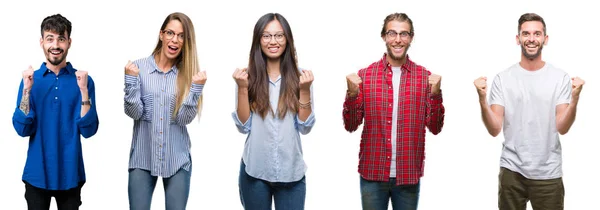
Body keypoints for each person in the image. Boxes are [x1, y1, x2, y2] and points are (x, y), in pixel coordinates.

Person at [473, 13, 584, 210]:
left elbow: (562, 127)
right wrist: (482, 99)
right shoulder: (503, 78)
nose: (531, 39)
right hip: (512, 170)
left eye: (537, 34)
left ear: (545, 39)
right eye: (526, 33)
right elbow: (494, 128)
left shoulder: (559, 78)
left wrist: (575, 99)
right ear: (518, 39)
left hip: (548, 173)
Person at [342, 12, 445, 210]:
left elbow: (435, 127)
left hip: (408, 174)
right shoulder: (365, 76)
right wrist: (352, 95)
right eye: (392, 33)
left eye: (404, 34)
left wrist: (435, 94)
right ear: (384, 37)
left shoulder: (425, 78)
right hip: (372, 172)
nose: (398, 40)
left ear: (411, 38)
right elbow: (351, 126)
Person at [12, 13, 99, 210]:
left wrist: (84, 90)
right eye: (50, 38)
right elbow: (22, 129)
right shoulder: (31, 80)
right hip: (37, 173)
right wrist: (26, 90)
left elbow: (89, 130)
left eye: (61, 38)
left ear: (69, 42)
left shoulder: (83, 81)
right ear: (42, 42)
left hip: (70, 174)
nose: (55, 45)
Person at [232, 13, 316, 210]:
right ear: (258, 40)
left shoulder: (301, 77)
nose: (273, 41)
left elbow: (305, 127)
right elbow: (243, 127)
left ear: (287, 39)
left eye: (279, 35)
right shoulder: (246, 77)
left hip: (291, 174)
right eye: (266, 36)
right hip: (255, 171)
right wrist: (243, 88)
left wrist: (304, 91)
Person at [123, 12, 206, 210]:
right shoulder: (138, 68)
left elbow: (184, 119)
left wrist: (195, 90)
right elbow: (133, 112)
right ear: (161, 34)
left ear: (186, 41)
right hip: (143, 157)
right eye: (170, 33)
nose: (175, 40)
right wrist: (131, 80)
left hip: (177, 159)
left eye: (181, 35)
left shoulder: (189, 75)